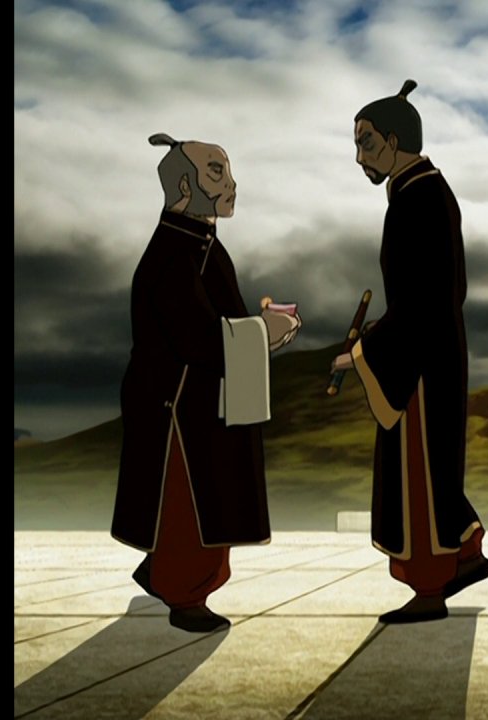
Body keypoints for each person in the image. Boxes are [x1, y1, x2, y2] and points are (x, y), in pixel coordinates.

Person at [111, 133, 301, 632]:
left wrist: (257, 328)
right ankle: (182, 593)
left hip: (195, 400)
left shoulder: (198, 243)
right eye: (216, 172)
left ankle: (161, 572)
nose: (231, 183)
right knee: (187, 504)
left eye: (228, 171)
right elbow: (197, 338)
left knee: (194, 503)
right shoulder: (176, 252)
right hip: (177, 408)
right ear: (182, 187)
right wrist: (262, 333)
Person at [332, 80, 488, 624]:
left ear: (395, 141)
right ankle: (465, 553)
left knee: (419, 471)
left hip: (420, 358)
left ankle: (430, 587)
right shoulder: (421, 192)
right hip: (435, 346)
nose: (360, 157)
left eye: (367, 143)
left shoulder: (418, 199)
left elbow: (423, 297)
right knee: (439, 466)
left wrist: (366, 351)